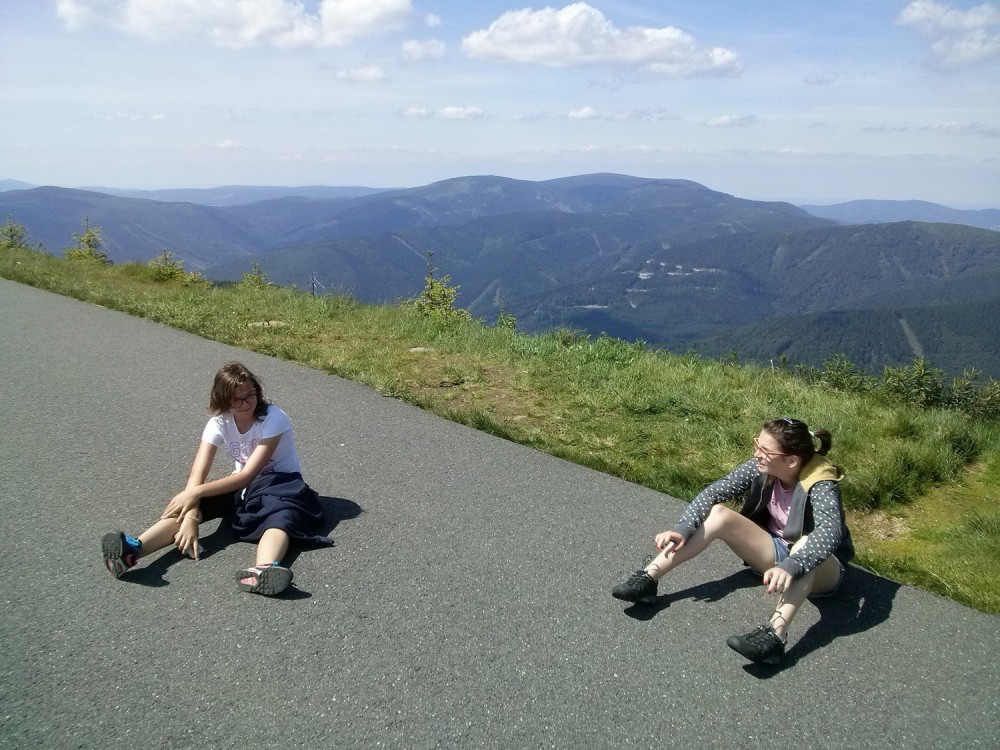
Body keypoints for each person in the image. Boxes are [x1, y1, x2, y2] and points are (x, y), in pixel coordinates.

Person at [611, 417, 853, 665]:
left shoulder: (821, 483)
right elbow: (716, 491)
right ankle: (648, 579)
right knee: (719, 514)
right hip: (776, 552)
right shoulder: (763, 467)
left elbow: (830, 532)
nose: (756, 453)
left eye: (765, 450)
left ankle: (774, 638)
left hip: (821, 570)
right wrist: (682, 529)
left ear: (791, 461)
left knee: (803, 545)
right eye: (757, 444)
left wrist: (792, 565)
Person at [101, 362, 331, 596]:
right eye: (237, 399)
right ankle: (132, 551)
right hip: (243, 487)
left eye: (250, 395)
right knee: (188, 504)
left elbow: (247, 475)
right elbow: (197, 476)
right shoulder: (219, 423)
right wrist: (191, 516)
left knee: (280, 515)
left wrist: (194, 494)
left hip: (280, 482)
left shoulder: (273, 418)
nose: (246, 403)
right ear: (223, 400)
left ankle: (263, 569)